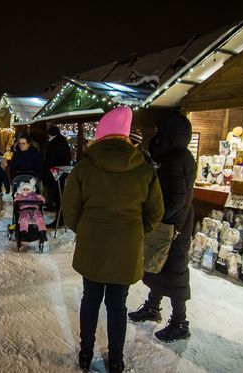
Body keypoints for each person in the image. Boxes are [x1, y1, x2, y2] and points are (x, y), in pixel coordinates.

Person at [62, 107, 164, 372]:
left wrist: (85, 230)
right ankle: (116, 360)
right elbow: (156, 212)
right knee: (117, 304)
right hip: (126, 248)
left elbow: (70, 210)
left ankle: (86, 353)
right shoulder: (144, 168)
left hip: (92, 246)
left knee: (90, 298)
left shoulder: (84, 166)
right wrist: (136, 231)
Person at [128, 113, 196, 343]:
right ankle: (153, 307)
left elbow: (176, 198)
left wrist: (158, 216)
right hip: (170, 225)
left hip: (174, 229)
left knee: (175, 274)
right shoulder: (173, 156)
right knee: (157, 267)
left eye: (160, 130)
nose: (156, 135)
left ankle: (180, 323)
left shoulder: (176, 159)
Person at [43, 125, 71, 226]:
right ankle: (60, 220)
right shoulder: (61, 141)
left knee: (58, 197)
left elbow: (51, 160)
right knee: (59, 197)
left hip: (56, 174)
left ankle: (60, 220)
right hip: (59, 174)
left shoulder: (55, 143)